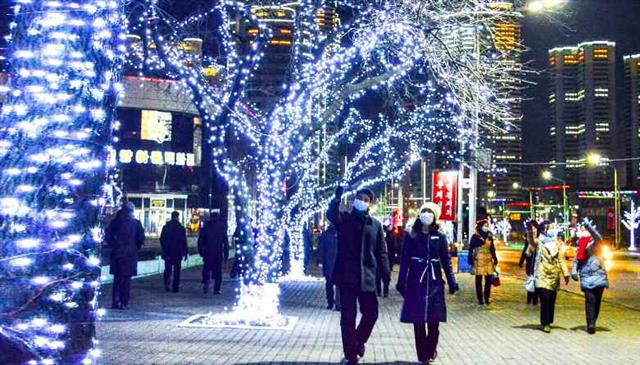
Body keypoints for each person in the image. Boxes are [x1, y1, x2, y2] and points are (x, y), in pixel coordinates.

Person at [327, 186, 390, 365]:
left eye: (365, 199)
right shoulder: (345, 220)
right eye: (359, 198)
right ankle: (351, 355)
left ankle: (358, 342)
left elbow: (381, 252)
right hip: (347, 276)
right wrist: (336, 199)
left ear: (370, 204)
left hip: (367, 276)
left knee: (371, 313)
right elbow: (331, 215)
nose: (361, 201)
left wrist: (385, 274)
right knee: (347, 317)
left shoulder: (375, 225)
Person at [396, 203, 458, 365]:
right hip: (416, 282)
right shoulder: (412, 235)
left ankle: (431, 349)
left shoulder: (440, 236)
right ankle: (422, 355)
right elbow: (404, 261)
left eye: (430, 212)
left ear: (435, 217)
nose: (426, 214)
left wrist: (452, 281)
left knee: (434, 321)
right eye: (424, 211)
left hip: (435, 282)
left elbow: (446, 261)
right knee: (418, 321)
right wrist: (401, 281)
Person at [527, 221, 570, 333]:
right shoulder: (539, 242)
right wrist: (530, 231)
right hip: (542, 274)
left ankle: (548, 320)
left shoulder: (556, 244)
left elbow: (561, 259)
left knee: (551, 299)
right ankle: (545, 323)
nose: (552, 230)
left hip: (554, 275)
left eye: (552, 228)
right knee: (545, 298)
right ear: (544, 230)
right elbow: (531, 241)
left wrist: (566, 273)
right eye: (550, 228)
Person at [571, 221, 609, 334]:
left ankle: (593, 321)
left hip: (599, 275)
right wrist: (574, 271)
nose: (583, 232)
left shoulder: (596, 243)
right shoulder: (580, 245)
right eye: (582, 230)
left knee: (597, 301)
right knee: (590, 300)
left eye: (585, 229)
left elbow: (597, 237)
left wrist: (589, 226)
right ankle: (590, 324)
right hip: (586, 276)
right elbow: (576, 260)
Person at [105, 202, 145, 309]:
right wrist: (135, 248)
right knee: (126, 281)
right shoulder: (136, 223)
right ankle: (124, 302)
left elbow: (107, 237)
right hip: (130, 256)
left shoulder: (115, 222)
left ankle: (115, 301)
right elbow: (141, 239)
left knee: (117, 280)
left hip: (117, 255)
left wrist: (114, 246)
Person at [198, 212, 229, 294]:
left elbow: (200, 240)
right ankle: (217, 289)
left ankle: (206, 282)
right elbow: (225, 242)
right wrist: (226, 255)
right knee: (218, 271)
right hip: (218, 253)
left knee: (207, 268)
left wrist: (201, 251)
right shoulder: (221, 227)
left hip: (208, 252)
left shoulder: (206, 227)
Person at [468, 219, 498, 305]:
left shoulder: (489, 236)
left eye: (487, 225)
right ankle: (480, 298)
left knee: (488, 281)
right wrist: (470, 259)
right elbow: (471, 248)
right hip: (478, 260)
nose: (486, 227)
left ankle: (487, 297)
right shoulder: (475, 236)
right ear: (480, 226)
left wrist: (495, 258)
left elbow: (492, 248)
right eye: (485, 225)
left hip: (488, 260)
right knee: (478, 280)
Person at [160, 211, 188, 292]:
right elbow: (184, 241)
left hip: (168, 251)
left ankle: (167, 283)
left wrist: (164, 247)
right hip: (178, 252)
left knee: (167, 269)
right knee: (177, 271)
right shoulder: (181, 228)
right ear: (178, 217)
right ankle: (175, 287)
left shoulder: (166, 227)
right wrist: (185, 252)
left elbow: (162, 239)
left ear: (171, 217)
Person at [319, 223, 340, 310]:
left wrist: (320, 261)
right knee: (338, 284)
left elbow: (321, 249)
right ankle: (338, 304)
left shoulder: (325, 234)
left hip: (329, 263)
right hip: (338, 263)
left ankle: (331, 303)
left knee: (329, 284)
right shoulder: (341, 233)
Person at [519, 222, 538, 305]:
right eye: (531, 228)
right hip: (530, 261)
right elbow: (525, 249)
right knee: (531, 278)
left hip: (538, 261)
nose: (533, 230)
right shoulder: (528, 238)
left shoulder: (540, 238)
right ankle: (529, 298)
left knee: (537, 280)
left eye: (534, 228)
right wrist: (522, 260)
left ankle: (535, 299)